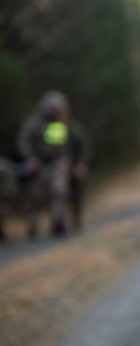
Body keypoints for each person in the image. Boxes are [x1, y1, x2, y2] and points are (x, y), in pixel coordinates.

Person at [16, 90, 92, 238]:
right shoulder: (33, 124)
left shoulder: (57, 125)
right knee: (35, 196)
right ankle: (32, 226)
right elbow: (23, 141)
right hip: (37, 164)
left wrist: (63, 159)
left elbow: (58, 145)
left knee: (59, 191)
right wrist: (30, 158)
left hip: (53, 164)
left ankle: (58, 223)